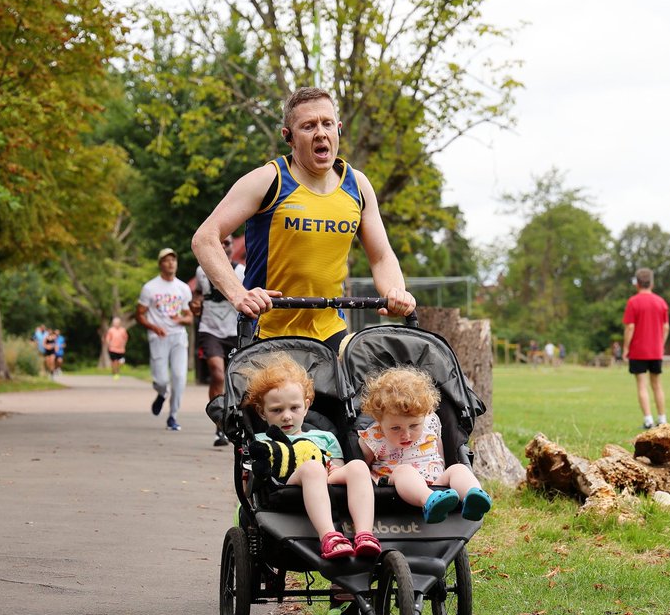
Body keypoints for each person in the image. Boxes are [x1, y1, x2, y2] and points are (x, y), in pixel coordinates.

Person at [190, 86, 415, 353]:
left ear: (338, 129)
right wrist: (238, 294)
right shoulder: (268, 180)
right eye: (308, 126)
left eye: (327, 124)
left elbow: (381, 256)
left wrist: (395, 291)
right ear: (289, 137)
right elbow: (205, 238)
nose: (320, 133)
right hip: (269, 332)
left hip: (330, 331)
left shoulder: (357, 185)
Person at [242, 352, 380, 559]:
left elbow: (338, 468)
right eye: (277, 410)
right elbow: (249, 482)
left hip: (327, 480)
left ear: (306, 406)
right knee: (313, 468)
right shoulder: (261, 440)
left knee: (358, 467)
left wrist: (335, 468)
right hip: (284, 485)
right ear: (262, 413)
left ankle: (365, 534)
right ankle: (329, 536)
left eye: (294, 408)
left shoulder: (324, 437)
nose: (286, 416)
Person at [357, 366, 492, 523]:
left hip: (437, 484)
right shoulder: (374, 437)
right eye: (395, 428)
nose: (406, 435)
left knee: (458, 469)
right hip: (397, 487)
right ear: (379, 421)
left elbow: (439, 454)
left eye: (414, 426)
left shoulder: (431, 422)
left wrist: (445, 473)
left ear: (425, 415)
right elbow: (361, 469)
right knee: (404, 471)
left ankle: (472, 497)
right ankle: (429, 502)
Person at [193, 235, 245, 446]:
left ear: (233, 247)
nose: (223, 246)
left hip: (234, 330)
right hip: (210, 329)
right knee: (216, 373)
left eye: (227, 243)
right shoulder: (201, 271)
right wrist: (195, 304)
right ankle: (219, 426)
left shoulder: (241, 272)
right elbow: (198, 295)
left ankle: (237, 422)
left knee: (237, 380)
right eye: (220, 242)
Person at [136, 248, 194, 431]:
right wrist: (154, 327)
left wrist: (181, 320)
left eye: (173, 260)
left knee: (179, 377)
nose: (171, 263)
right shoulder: (150, 288)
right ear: (160, 264)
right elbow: (139, 314)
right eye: (167, 260)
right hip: (158, 337)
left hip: (178, 337)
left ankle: (173, 416)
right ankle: (162, 393)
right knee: (161, 380)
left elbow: (189, 317)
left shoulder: (183, 288)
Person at [622, 267, 670, 430]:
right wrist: (660, 345)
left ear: (637, 283)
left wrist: (626, 348)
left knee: (642, 385)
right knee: (657, 385)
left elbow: (630, 327)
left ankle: (648, 420)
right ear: (652, 283)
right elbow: (666, 327)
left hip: (638, 351)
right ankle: (662, 419)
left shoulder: (633, 302)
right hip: (656, 351)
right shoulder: (661, 302)